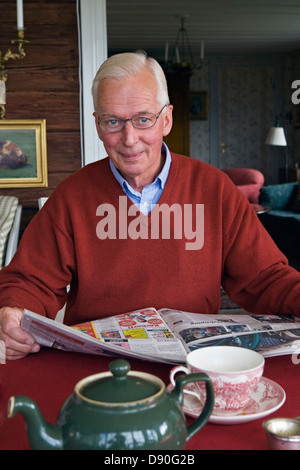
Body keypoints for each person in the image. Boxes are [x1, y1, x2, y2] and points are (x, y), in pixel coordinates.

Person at [0, 51, 300, 360]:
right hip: (97, 367)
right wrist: (12, 312)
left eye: (143, 119)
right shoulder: (71, 196)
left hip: (192, 365)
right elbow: (29, 281)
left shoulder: (215, 189)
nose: (129, 139)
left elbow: (263, 278)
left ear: (166, 119)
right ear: (98, 125)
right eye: (113, 121)